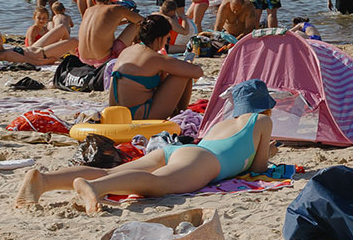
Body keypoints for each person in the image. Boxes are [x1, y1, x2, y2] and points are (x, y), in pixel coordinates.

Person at [14, 78, 279, 213]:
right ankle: (95, 187)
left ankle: (44, 181)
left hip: (180, 150)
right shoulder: (261, 121)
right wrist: (270, 151)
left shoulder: (224, 122)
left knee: (114, 171)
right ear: (264, 105)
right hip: (204, 161)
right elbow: (258, 168)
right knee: (157, 184)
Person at [106, 15, 203, 120]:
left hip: (117, 113)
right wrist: (187, 63)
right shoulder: (155, 58)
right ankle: (180, 116)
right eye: (167, 38)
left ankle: (178, 114)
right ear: (159, 38)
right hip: (138, 116)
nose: (166, 42)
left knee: (180, 71)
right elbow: (198, 72)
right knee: (184, 73)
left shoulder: (128, 50)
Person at [74, 0, 139, 67]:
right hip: (104, 59)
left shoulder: (88, 11)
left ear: (94, 1)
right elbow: (142, 21)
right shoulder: (116, 8)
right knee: (137, 25)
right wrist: (131, 15)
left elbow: (104, 24)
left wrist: (125, 21)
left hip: (83, 58)